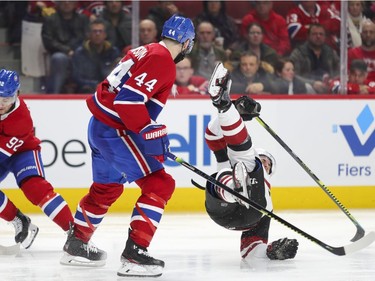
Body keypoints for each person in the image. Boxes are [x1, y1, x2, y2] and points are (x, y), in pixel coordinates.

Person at [60, 15, 195, 278]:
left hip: (100, 126)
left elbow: (135, 102)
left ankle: (76, 245)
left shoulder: (146, 50)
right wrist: (149, 133)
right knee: (160, 184)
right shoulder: (162, 60)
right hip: (114, 130)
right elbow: (128, 102)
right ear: (187, 42)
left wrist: (151, 133)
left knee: (106, 188)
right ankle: (135, 254)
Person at [204, 62, 299, 261]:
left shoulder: (267, 202)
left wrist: (271, 251)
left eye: (268, 164)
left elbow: (251, 253)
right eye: (263, 160)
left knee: (243, 163)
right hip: (220, 209)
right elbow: (212, 135)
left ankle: (235, 189)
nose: (264, 165)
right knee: (231, 163)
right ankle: (233, 189)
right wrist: (236, 111)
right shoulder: (234, 162)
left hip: (250, 213)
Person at [0, 69, 74, 249]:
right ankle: (19, 220)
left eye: (6, 99)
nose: (1, 104)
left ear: (17, 94)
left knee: (35, 188)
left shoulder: (21, 119)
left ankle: (75, 233)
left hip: (22, 152)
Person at [41, 1, 89, 93]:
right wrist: (67, 50)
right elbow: (48, 41)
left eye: (70, 1)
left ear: (75, 3)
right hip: (59, 53)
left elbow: (86, 37)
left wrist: (75, 51)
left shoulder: (83, 19)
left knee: (87, 55)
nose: (67, 3)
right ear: (58, 3)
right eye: (63, 0)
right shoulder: (50, 19)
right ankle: (54, 94)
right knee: (59, 58)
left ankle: (88, 91)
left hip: (80, 52)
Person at [72, 18, 121, 93]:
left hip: (108, 90)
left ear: (105, 35)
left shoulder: (113, 52)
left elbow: (117, 76)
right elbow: (76, 77)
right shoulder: (80, 53)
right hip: (85, 91)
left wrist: (104, 85)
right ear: (89, 34)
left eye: (100, 31)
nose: (97, 34)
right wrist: (95, 85)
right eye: (95, 31)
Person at [289, 23, 340, 94]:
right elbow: (293, 75)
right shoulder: (298, 53)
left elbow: (340, 72)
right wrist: (312, 83)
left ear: (325, 37)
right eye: (314, 34)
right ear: (308, 36)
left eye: (321, 34)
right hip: (306, 90)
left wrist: (331, 82)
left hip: (328, 89)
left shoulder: (331, 52)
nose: (318, 36)